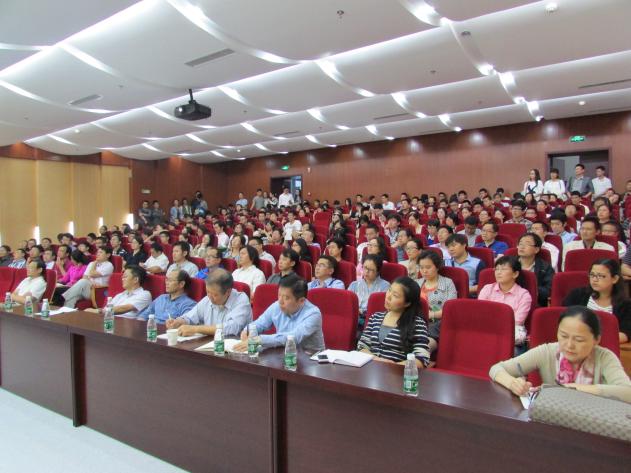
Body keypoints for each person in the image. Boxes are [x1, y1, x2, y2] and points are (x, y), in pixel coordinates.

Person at [489, 306, 631, 402]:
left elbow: (627, 392)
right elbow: (496, 369)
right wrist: (513, 383)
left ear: (596, 340)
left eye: (579, 340)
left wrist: (572, 389)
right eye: (563, 336)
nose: (569, 345)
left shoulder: (604, 357)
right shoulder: (548, 351)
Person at [234, 275, 325, 353]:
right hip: (283, 355)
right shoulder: (277, 306)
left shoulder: (313, 314)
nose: (280, 301)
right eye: (279, 295)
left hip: (311, 361)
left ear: (301, 301)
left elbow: (293, 338)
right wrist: (247, 331)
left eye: (286, 298)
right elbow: (260, 323)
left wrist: (260, 339)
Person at [357, 276, 430, 367]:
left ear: (407, 303)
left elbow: (422, 359)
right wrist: (377, 360)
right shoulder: (375, 317)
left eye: (395, 295)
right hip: (369, 370)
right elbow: (362, 346)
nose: (388, 296)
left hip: (398, 373)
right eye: (389, 290)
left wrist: (393, 366)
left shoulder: (417, 324)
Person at [166, 269, 252, 337]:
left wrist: (196, 329)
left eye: (215, 294)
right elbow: (190, 317)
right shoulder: (208, 298)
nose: (210, 297)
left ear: (228, 292)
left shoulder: (241, 300)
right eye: (207, 292)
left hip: (234, 348)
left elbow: (232, 328)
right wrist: (179, 321)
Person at [563, 259, 631, 344]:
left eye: (601, 276)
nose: (594, 279)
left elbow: (625, 334)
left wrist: (591, 339)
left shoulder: (626, 305)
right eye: (592, 275)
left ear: (615, 279)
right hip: (574, 344)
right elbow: (563, 321)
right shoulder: (577, 295)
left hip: (607, 346)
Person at [478, 256, 532, 346]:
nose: (498, 272)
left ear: (515, 274)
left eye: (503, 269)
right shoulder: (487, 289)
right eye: (497, 269)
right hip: (487, 329)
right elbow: (480, 312)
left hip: (511, 332)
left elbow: (518, 321)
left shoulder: (524, 295)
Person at [415, 250, 457, 352]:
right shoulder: (416, 283)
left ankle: (420, 352)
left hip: (437, 323)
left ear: (437, 267)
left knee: (428, 334)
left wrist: (431, 314)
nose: (424, 271)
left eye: (428, 267)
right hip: (417, 321)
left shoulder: (447, 283)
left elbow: (450, 310)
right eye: (421, 267)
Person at [85, 265, 151, 318]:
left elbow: (123, 309)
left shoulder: (144, 294)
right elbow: (107, 309)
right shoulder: (120, 295)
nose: (122, 279)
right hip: (111, 321)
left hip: (128, 325)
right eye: (122, 277)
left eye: (125, 277)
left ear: (135, 279)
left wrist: (99, 311)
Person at [348, 255, 390, 325]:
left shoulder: (385, 286)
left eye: (371, 270)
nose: (366, 272)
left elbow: (383, 308)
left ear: (378, 271)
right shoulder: (354, 284)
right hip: (354, 317)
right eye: (365, 268)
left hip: (374, 320)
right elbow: (347, 304)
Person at [515, 233, 554, 307]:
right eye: (520, 244)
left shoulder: (545, 267)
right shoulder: (509, 264)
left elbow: (549, 290)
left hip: (535, 304)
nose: (522, 247)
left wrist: (530, 289)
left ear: (536, 249)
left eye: (527, 244)